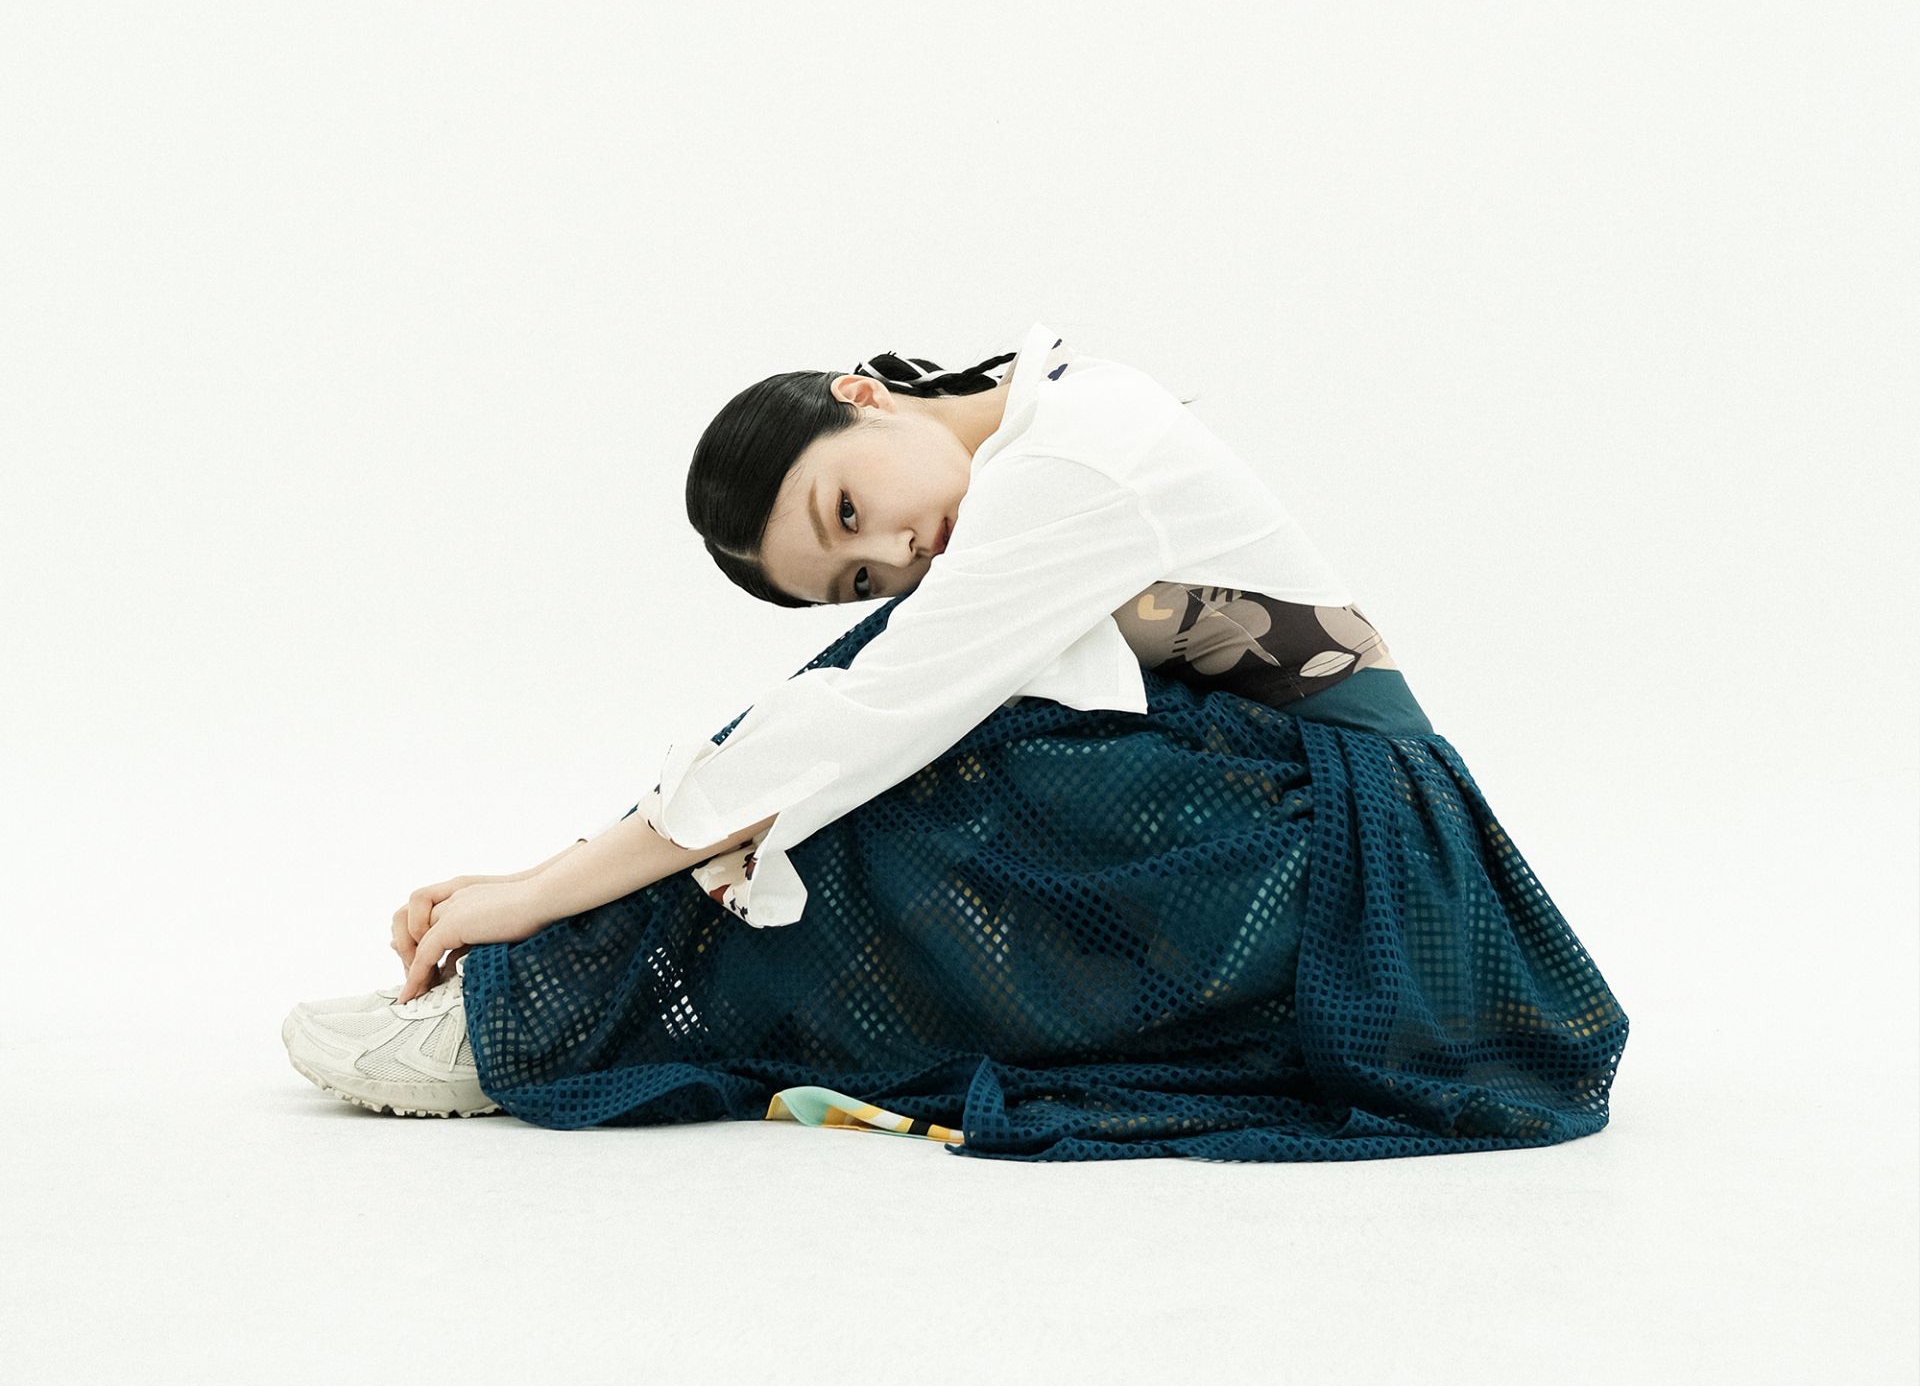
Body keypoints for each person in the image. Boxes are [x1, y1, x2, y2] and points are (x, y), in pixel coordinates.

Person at [281, 321, 1630, 1162]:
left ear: (861, 395)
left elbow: (854, 722)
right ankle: (547, 994)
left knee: (892, 736)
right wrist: (550, 876)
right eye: (856, 567)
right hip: (1290, 818)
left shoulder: (1069, 461)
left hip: (1364, 858)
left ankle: (531, 1014)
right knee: (878, 715)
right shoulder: (1042, 433)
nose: (892, 548)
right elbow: (845, 715)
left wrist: (533, 892)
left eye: (847, 509)